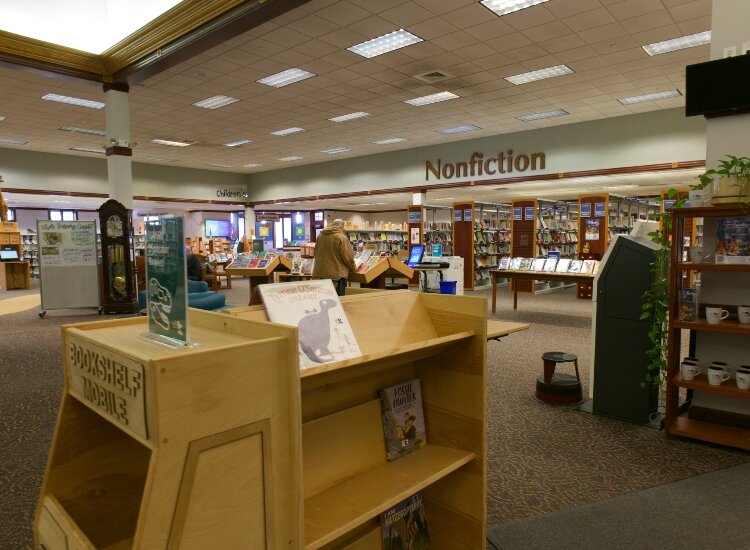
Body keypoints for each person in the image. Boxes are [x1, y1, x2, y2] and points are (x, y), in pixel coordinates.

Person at [312, 219, 355, 296]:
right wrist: (353, 268)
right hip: (337, 274)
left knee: (324, 300)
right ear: (341, 227)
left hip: (321, 274)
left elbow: (316, 252)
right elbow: (348, 257)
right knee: (339, 301)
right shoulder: (341, 237)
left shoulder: (320, 236)